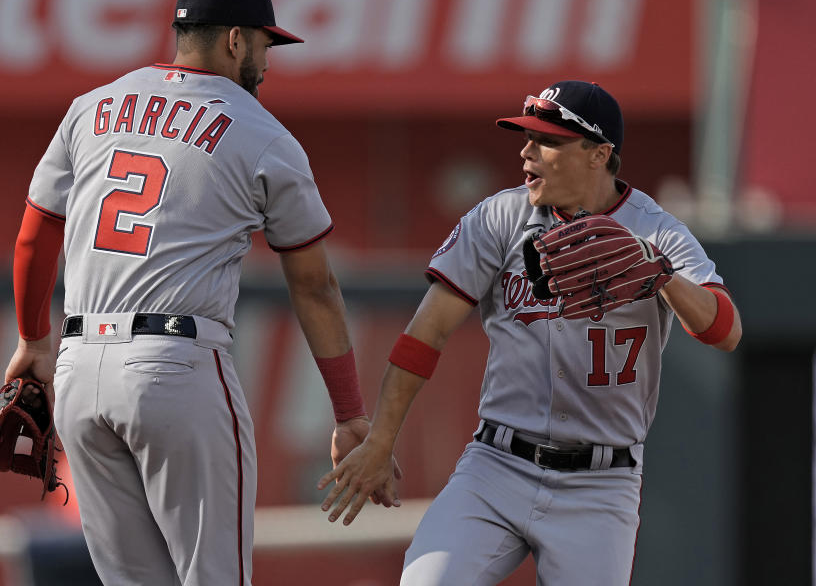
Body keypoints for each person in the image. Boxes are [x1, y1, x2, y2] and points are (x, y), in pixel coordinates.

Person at [2, 0, 395, 586]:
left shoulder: (92, 106)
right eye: (266, 45)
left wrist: (32, 340)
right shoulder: (265, 135)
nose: (266, 61)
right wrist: (348, 411)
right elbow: (316, 286)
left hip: (79, 369)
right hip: (174, 367)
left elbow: (35, 232)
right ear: (235, 40)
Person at [317, 80, 742, 585]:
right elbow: (423, 335)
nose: (527, 152)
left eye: (548, 141)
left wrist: (662, 274)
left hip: (600, 486)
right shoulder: (500, 217)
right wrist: (382, 441)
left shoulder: (657, 231)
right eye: (526, 137)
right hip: (497, 465)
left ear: (598, 154)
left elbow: (726, 329)